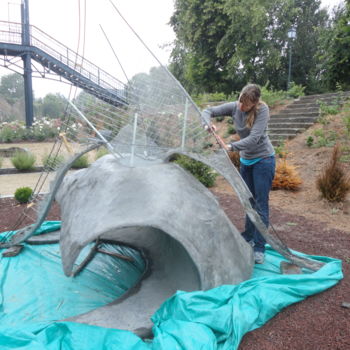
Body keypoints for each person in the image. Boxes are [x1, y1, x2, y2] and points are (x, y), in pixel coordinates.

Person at [201, 84, 275, 264]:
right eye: (241, 101)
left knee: (260, 204)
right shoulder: (235, 106)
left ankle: (259, 247)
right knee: (248, 202)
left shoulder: (262, 110)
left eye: (246, 104)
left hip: (263, 160)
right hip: (246, 162)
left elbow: (254, 138)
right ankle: (248, 236)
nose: (241, 106)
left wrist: (231, 146)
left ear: (254, 103)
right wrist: (207, 124)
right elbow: (207, 110)